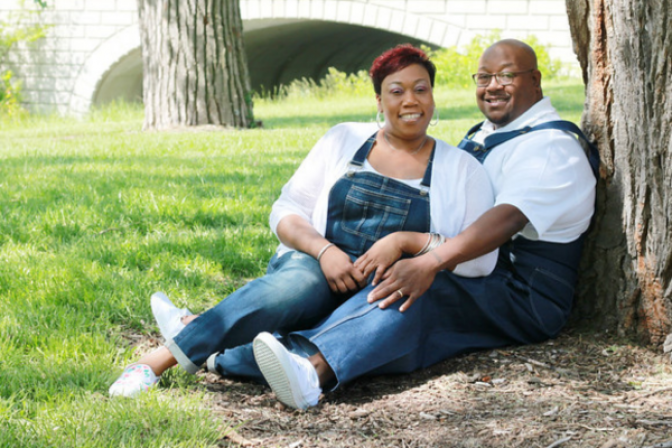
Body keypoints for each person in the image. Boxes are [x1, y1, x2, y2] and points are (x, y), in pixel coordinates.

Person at [108, 44, 497, 398]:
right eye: (397, 91)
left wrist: (408, 241)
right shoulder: (343, 139)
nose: (410, 100)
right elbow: (285, 209)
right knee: (298, 285)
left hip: (376, 291)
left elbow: (481, 262)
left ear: (433, 95)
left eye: (421, 89)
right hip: (316, 269)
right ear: (379, 100)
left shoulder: (461, 169)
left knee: (400, 305)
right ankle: (156, 361)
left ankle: (231, 349)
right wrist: (324, 251)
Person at [249, 38, 599, 410]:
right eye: (483, 77)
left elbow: (506, 219)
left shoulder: (551, 148)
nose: (493, 85)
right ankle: (225, 349)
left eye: (507, 75)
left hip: (522, 291)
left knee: (412, 290)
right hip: (478, 264)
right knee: (368, 279)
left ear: (536, 80)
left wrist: (427, 259)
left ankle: (311, 371)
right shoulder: (490, 133)